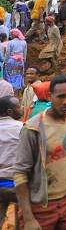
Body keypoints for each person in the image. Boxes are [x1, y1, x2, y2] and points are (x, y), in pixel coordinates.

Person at [14, 74, 66, 229]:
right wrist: (28, 218)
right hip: (40, 207)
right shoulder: (33, 128)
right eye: (61, 97)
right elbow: (20, 173)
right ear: (50, 96)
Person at [0, 95, 22, 228]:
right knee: (25, 211)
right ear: (10, 112)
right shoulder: (24, 128)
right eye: (18, 107)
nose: (21, 109)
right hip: (17, 185)